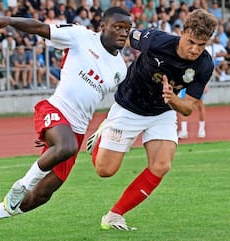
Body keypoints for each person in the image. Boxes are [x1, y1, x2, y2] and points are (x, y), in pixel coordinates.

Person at [0, 7, 132, 238]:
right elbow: (40, 27)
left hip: (77, 129)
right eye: (118, 27)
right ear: (103, 26)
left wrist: (105, 127)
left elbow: (120, 101)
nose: (123, 33)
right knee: (65, 147)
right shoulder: (80, 36)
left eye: (127, 29)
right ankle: (22, 185)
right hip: (55, 110)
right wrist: (7, 20)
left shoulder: (120, 69)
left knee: (42, 196)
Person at [86, 8, 218, 230]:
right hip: (129, 106)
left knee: (162, 165)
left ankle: (115, 215)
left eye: (201, 45)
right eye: (191, 41)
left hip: (162, 113)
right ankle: (103, 132)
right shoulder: (155, 40)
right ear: (183, 32)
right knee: (104, 171)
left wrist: (172, 99)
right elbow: (124, 36)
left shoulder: (204, 65)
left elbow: (188, 109)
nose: (195, 49)